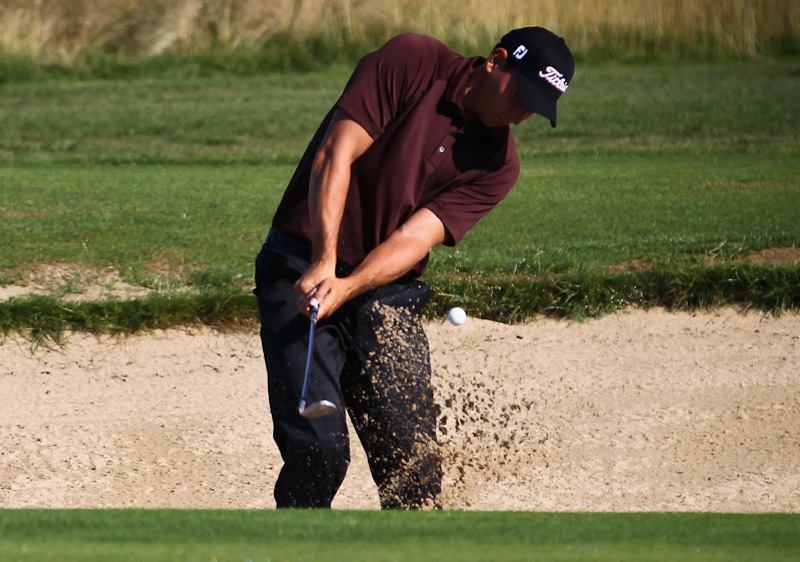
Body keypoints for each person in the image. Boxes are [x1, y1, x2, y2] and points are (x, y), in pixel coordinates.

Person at [254, 26, 575, 509]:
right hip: (301, 264)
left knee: (415, 471)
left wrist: (350, 284)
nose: (520, 113)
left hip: (384, 293)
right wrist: (324, 259)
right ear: (495, 60)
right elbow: (335, 154)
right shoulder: (412, 61)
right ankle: (292, 545)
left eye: (534, 108)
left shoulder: (499, 167)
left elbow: (414, 237)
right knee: (320, 451)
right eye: (520, 95)